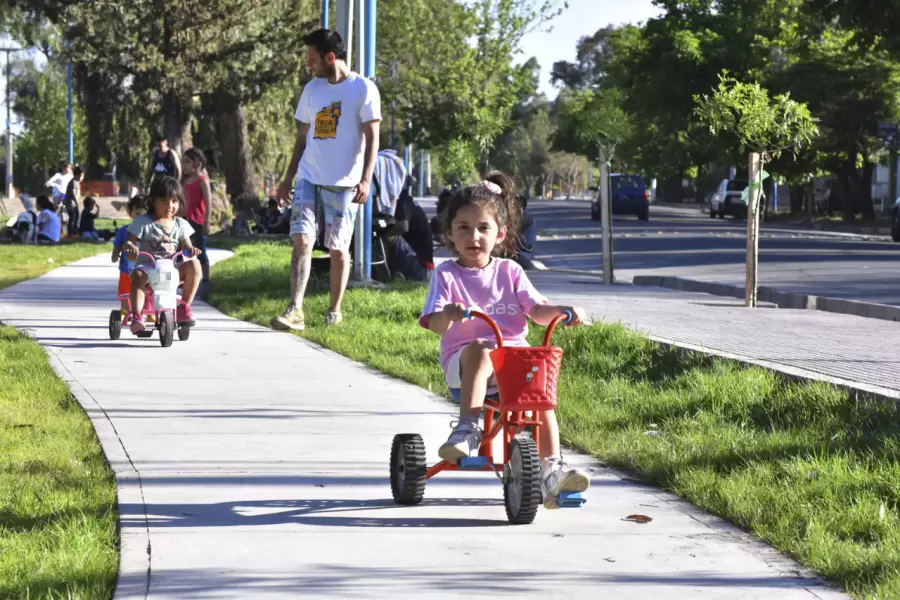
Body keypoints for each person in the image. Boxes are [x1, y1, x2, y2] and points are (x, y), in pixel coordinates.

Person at [419, 172, 591, 510]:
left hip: (511, 368)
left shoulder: (510, 272)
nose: (474, 236)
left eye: (483, 228)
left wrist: (565, 311)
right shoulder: (446, 274)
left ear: (499, 233)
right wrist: (449, 314)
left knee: (541, 394)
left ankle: (551, 468)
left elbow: (537, 311)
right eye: (464, 227)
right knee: (483, 348)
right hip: (465, 368)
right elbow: (434, 323)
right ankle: (467, 428)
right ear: (449, 233)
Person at [270, 28, 381, 331]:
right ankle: (295, 309)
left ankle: (334, 310)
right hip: (309, 176)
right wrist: (287, 178)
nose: (309, 65)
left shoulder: (363, 89)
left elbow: (373, 138)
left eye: (313, 59)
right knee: (301, 240)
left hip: (344, 183)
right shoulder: (312, 89)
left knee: (338, 249)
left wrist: (366, 179)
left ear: (330, 57)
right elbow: (302, 137)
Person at [124, 176, 202, 335]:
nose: (170, 206)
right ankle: (137, 316)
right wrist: (131, 247)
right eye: (164, 201)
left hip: (172, 268)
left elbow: (186, 248)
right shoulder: (143, 222)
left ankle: (183, 308)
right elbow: (129, 242)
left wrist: (191, 251)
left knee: (195, 265)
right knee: (138, 275)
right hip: (148, 267)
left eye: (174, 201)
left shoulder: (180, 224)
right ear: (153, 201)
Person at [385, 175, 434, 282]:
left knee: (386, 235)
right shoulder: (407, 201)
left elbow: (404, 226)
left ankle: (384, 272)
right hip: (422, 266)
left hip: (421, 268)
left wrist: (383, 234)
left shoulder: (403, 201)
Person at [181, 147, 213, 293]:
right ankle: (187, 277)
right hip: (185, 221)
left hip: (198, 222)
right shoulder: (185, 181)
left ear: (198, 163)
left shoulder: (202, 180)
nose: (184, 165)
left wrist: (207, 222)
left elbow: (208, 203)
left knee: (200, 250)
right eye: (183, 162)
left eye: (187, 162)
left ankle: (206, 279)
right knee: (186, 250)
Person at [111, 195, 148, 313]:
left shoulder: (150, 231)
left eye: (144, 214)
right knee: (125, 289)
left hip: (145, 269)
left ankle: (147, 309)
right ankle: (125, 309)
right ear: (130, 213)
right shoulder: (124, 231)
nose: (140, 217)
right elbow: (117, 244)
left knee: (147, 289)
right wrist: (115, 253)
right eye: (137, 214)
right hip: (126, 269)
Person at [63, 166, 84, 238]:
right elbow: (73, 192)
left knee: (76, 217)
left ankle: (74, 232)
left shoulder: (76, 182)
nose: (81, 178)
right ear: (77, 175)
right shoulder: (73, 182)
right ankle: (70, 233)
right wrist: (77, 202)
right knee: (73, 217)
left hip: (73, 204)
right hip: (71, 204)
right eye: (81, 176)